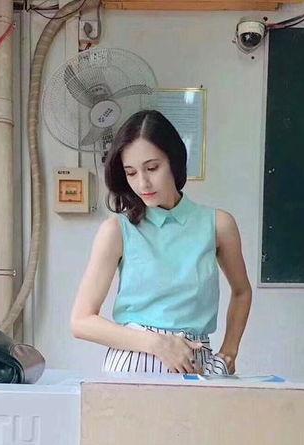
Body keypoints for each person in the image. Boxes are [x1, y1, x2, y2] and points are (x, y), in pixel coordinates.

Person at [70, 110, 252, 375]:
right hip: (132, 366)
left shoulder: (218, 225)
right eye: (131, 173)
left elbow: (242, 291)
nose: (142, 183)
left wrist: (229, 351)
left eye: (152, 168)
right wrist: (158, 344)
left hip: (197, 365)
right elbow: (81, 321)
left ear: (174, 161)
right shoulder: (117, 230)